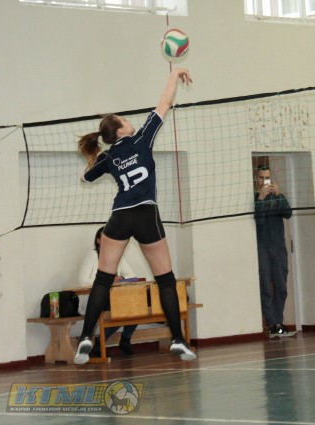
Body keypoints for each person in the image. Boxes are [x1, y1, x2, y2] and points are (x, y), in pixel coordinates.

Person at [73, 68, 196, 365]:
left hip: (119, 216)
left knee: (103, 279)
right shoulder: (142, 138)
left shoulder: (107, 157)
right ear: (121, 131)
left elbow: (85, 178)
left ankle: (86, 337)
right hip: (146, 214)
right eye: (124, 120)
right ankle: (178, 340)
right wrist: (175, 74)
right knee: (165, 280)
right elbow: (165, 102)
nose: (129, 121)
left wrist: (93, 157)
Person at [77, 226, 138, 356]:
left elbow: (132, 275)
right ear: (98, 240)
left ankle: (125, 340)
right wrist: (107, 280)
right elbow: (83, 281)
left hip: (115, 297)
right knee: (119, 310)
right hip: (94, 298)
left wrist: (120, 278)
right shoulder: (93, 255)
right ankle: (99, 343)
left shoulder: (118, 256)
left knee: (136, 306)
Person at [254, 165, 296, 338]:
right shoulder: (255, 198)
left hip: (279, 246)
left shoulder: (278, 197)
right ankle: (272, 323)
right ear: (257, 179)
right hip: (262, 247)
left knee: (281, 287)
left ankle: (277, 323)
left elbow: (288, 213)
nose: (265, 181)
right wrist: (261, 198)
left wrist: (278, 195)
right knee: (265, 286)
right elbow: (258, 221)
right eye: (262, 178)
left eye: (268, 177)